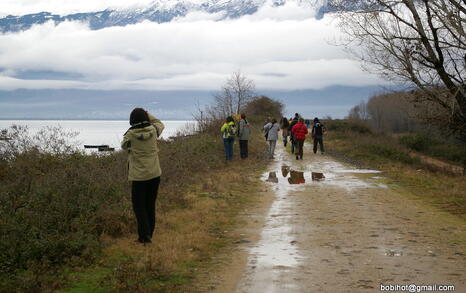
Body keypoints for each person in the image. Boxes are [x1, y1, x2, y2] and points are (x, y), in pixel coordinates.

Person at [121, 108, 165, 244]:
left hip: (139, 177)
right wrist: (148, 114)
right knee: (150, 205)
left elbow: (123, 146)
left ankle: (144, 237)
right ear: (145, 118)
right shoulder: (154, 130)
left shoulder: (130, 135)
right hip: (154, 174)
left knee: (139, 207)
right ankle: (149, 234)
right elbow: (159, 123)